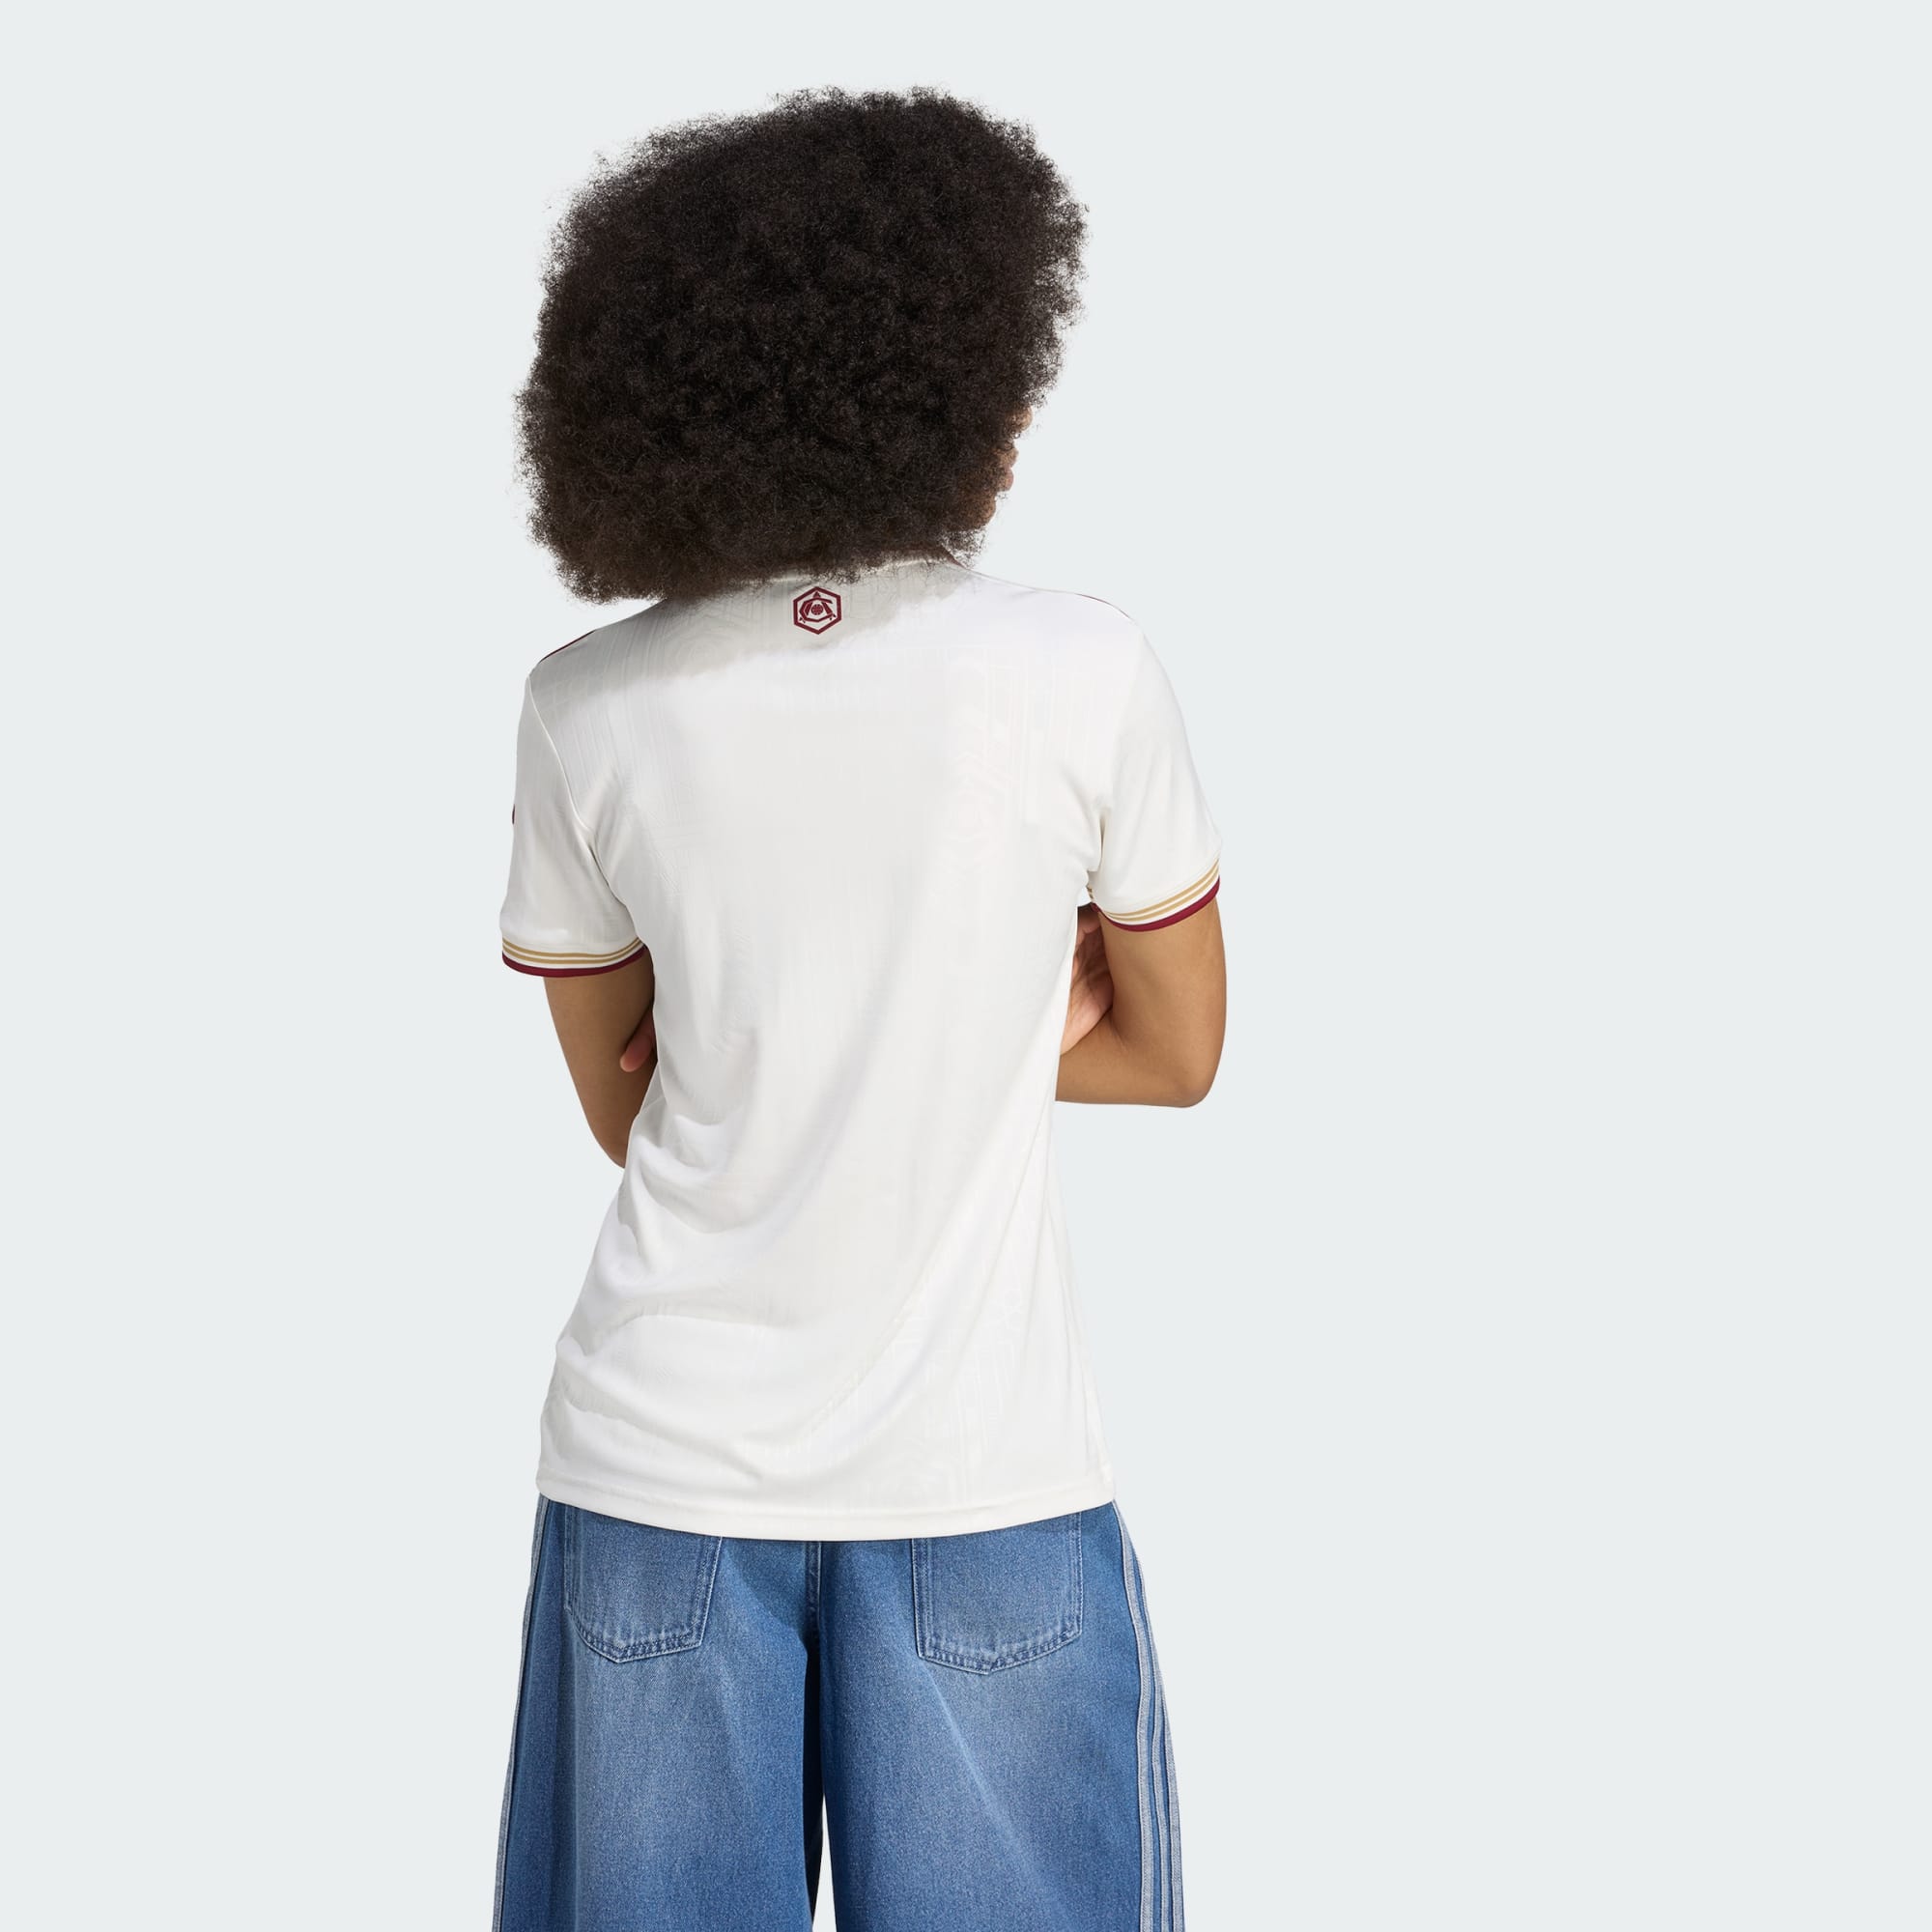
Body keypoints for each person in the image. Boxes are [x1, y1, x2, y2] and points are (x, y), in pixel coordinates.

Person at [493, 85, 1225, 1932]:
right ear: (970, 375)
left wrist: (788, 1031)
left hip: (658, 1473)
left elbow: (641, 1106)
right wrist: (990, 1017)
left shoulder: (588, 704)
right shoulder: (1081, 668)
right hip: (985, 1479)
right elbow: (1179, 1052)